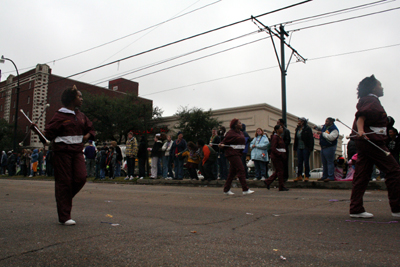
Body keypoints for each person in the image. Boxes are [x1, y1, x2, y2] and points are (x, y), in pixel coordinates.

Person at [32, 85, 95, 225]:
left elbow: (91, 128)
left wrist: (86, 136)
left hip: (77, 151)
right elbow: (47, 136)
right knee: (64, 181)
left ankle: (63, 199)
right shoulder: (59, 115)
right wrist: (36, 130)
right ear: (72, 99)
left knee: (81, 177)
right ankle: (65, 216)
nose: (82, 99)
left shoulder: (81, 115)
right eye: (79, 96)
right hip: (62, 152)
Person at [349, 75, 400, 218]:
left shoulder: (369, 100)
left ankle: (356, 208)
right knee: (394, 170)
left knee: (362, 174)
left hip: (367, 141)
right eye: (380, 84)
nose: (382, 87)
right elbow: (361, 117)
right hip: (371, 141)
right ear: (373, 87)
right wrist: (360, 131)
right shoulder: (371, 100)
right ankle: (397, 208)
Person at [219, 118, 254, 196]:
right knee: (241, 169)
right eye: (239, 123)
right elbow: (224, 142)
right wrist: (222, 145)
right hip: (232, 153)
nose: (241, 124)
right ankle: (245, 189)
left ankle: (226, 189)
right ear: (235, 125)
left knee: (232, 172)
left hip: (238, 153)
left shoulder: (241, 133)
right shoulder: (230, 133)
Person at [264, 124, 289, 191]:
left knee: (278, 171)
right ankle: (281, 186)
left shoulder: (279, 137)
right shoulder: (275, 137)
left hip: (280, 157)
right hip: (277, 157)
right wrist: (280, 154)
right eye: (281, 128)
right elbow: (273, 148)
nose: (282, 129)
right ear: (277, 130)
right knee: (280, 171)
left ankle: (268, 181)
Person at [314, 117, 339, 182]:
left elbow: (331, 137)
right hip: (323, 147)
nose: (325, 123)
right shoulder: (325, 127)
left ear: (331, 122)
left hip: (330, 147)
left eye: (327, 121)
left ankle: (330, 176)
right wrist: (316, 127)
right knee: (324, 163)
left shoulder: (334, 129)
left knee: (329, 162)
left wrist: (322, 133)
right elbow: (320, 126)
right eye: (325, 121)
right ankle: (324, 176)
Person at [293, 117, 314, 182]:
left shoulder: (307, 129)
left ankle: (307, 176)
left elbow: (311, 139)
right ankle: (299, 176)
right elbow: (296, 139)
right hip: (299, 147)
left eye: (300, 121)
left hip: (305, 147)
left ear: (303, 122)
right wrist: (295, 148)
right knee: (299, 162)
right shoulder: (297, 129)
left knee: (306, 162)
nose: (298, 122)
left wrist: (310, 148)